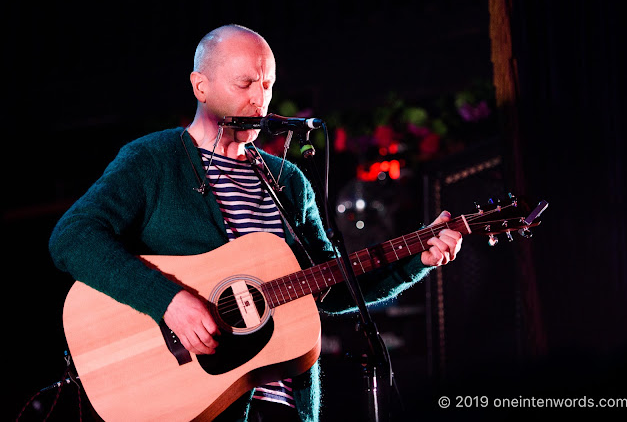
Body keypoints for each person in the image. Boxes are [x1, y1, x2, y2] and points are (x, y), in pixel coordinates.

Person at [49, 24, 463, 422]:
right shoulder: (154, 160)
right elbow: (72, 237)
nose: (259, 101)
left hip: (283, 403)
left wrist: (416, 261)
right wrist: (168, 302)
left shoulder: (288, 182)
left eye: (267, 85)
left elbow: (333, 289)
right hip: (196, 401)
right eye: (244, 84)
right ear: (201, 86)